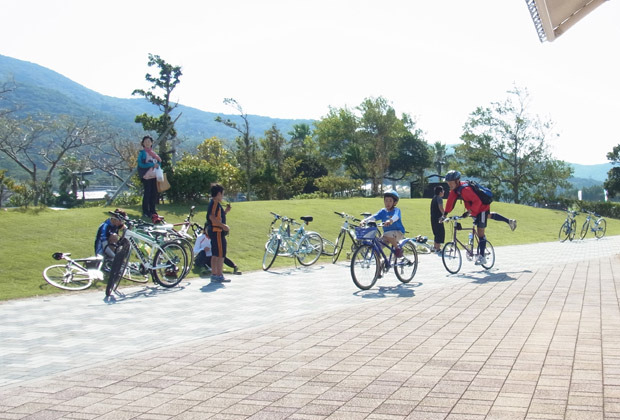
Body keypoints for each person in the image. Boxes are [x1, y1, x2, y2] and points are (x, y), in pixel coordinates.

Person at [442, 170, 516, 265]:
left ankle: (482, 257)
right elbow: (450, 202)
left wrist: (469, 212)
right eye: (448, 183)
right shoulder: (455, 190)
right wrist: (444, 215)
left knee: (480, 232)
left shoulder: (465, 190)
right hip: (474, 210)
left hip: (482, 208)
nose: (449, 185)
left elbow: (477, 202)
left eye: (450, 182)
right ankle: (509, 221)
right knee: (488, 217)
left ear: (457, 181)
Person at [361, 190, 405, 257]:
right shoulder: (383, 211)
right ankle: (380, 262)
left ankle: (398, 248)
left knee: (387, 234)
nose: (388, 203)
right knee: (377, 246)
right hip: (387, 235)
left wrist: (390, 221)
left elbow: (396, 217)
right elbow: (374, 217)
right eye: (386, 200)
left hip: (398, 232)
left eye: (390, 201)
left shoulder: (396, 210)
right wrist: (365, 220)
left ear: (395, 202)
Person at [206, 183, 232, 282]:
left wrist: (225, 212)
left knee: (216, 253)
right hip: (217, 231)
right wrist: (223, 226)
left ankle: (214, 274)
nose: (222, 196)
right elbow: (211, 217)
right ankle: (219, 274)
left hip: (215, 231)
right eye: (222, 194)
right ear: (218, 194)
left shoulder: (214, 204)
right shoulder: (215, 203)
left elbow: (217, 216)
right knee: (221, 253)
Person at [136, 135, 162, 219]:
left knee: (154, 193)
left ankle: (153, 211)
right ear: (143, 143)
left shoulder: (154, 153)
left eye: (149, 141)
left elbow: (159, 162)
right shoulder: (142, 153)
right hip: (146, 176)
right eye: (145, 141)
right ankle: (145, 211)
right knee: (147, 194)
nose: (147, 143)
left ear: (151, 143)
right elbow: (140, 164)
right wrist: (152, 164)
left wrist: (157, 165)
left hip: (154, 176)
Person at [430, 185, 445, 253]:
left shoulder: (434, 198)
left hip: (433, 218)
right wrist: (445, 215)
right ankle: (438, 249)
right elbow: (441, 208)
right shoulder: (439, 198)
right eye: (443, 191)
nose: (443, 192)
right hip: (438, 218)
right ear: (440, 192)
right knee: (440, 232)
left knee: (436, 232)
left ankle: (435, 247)